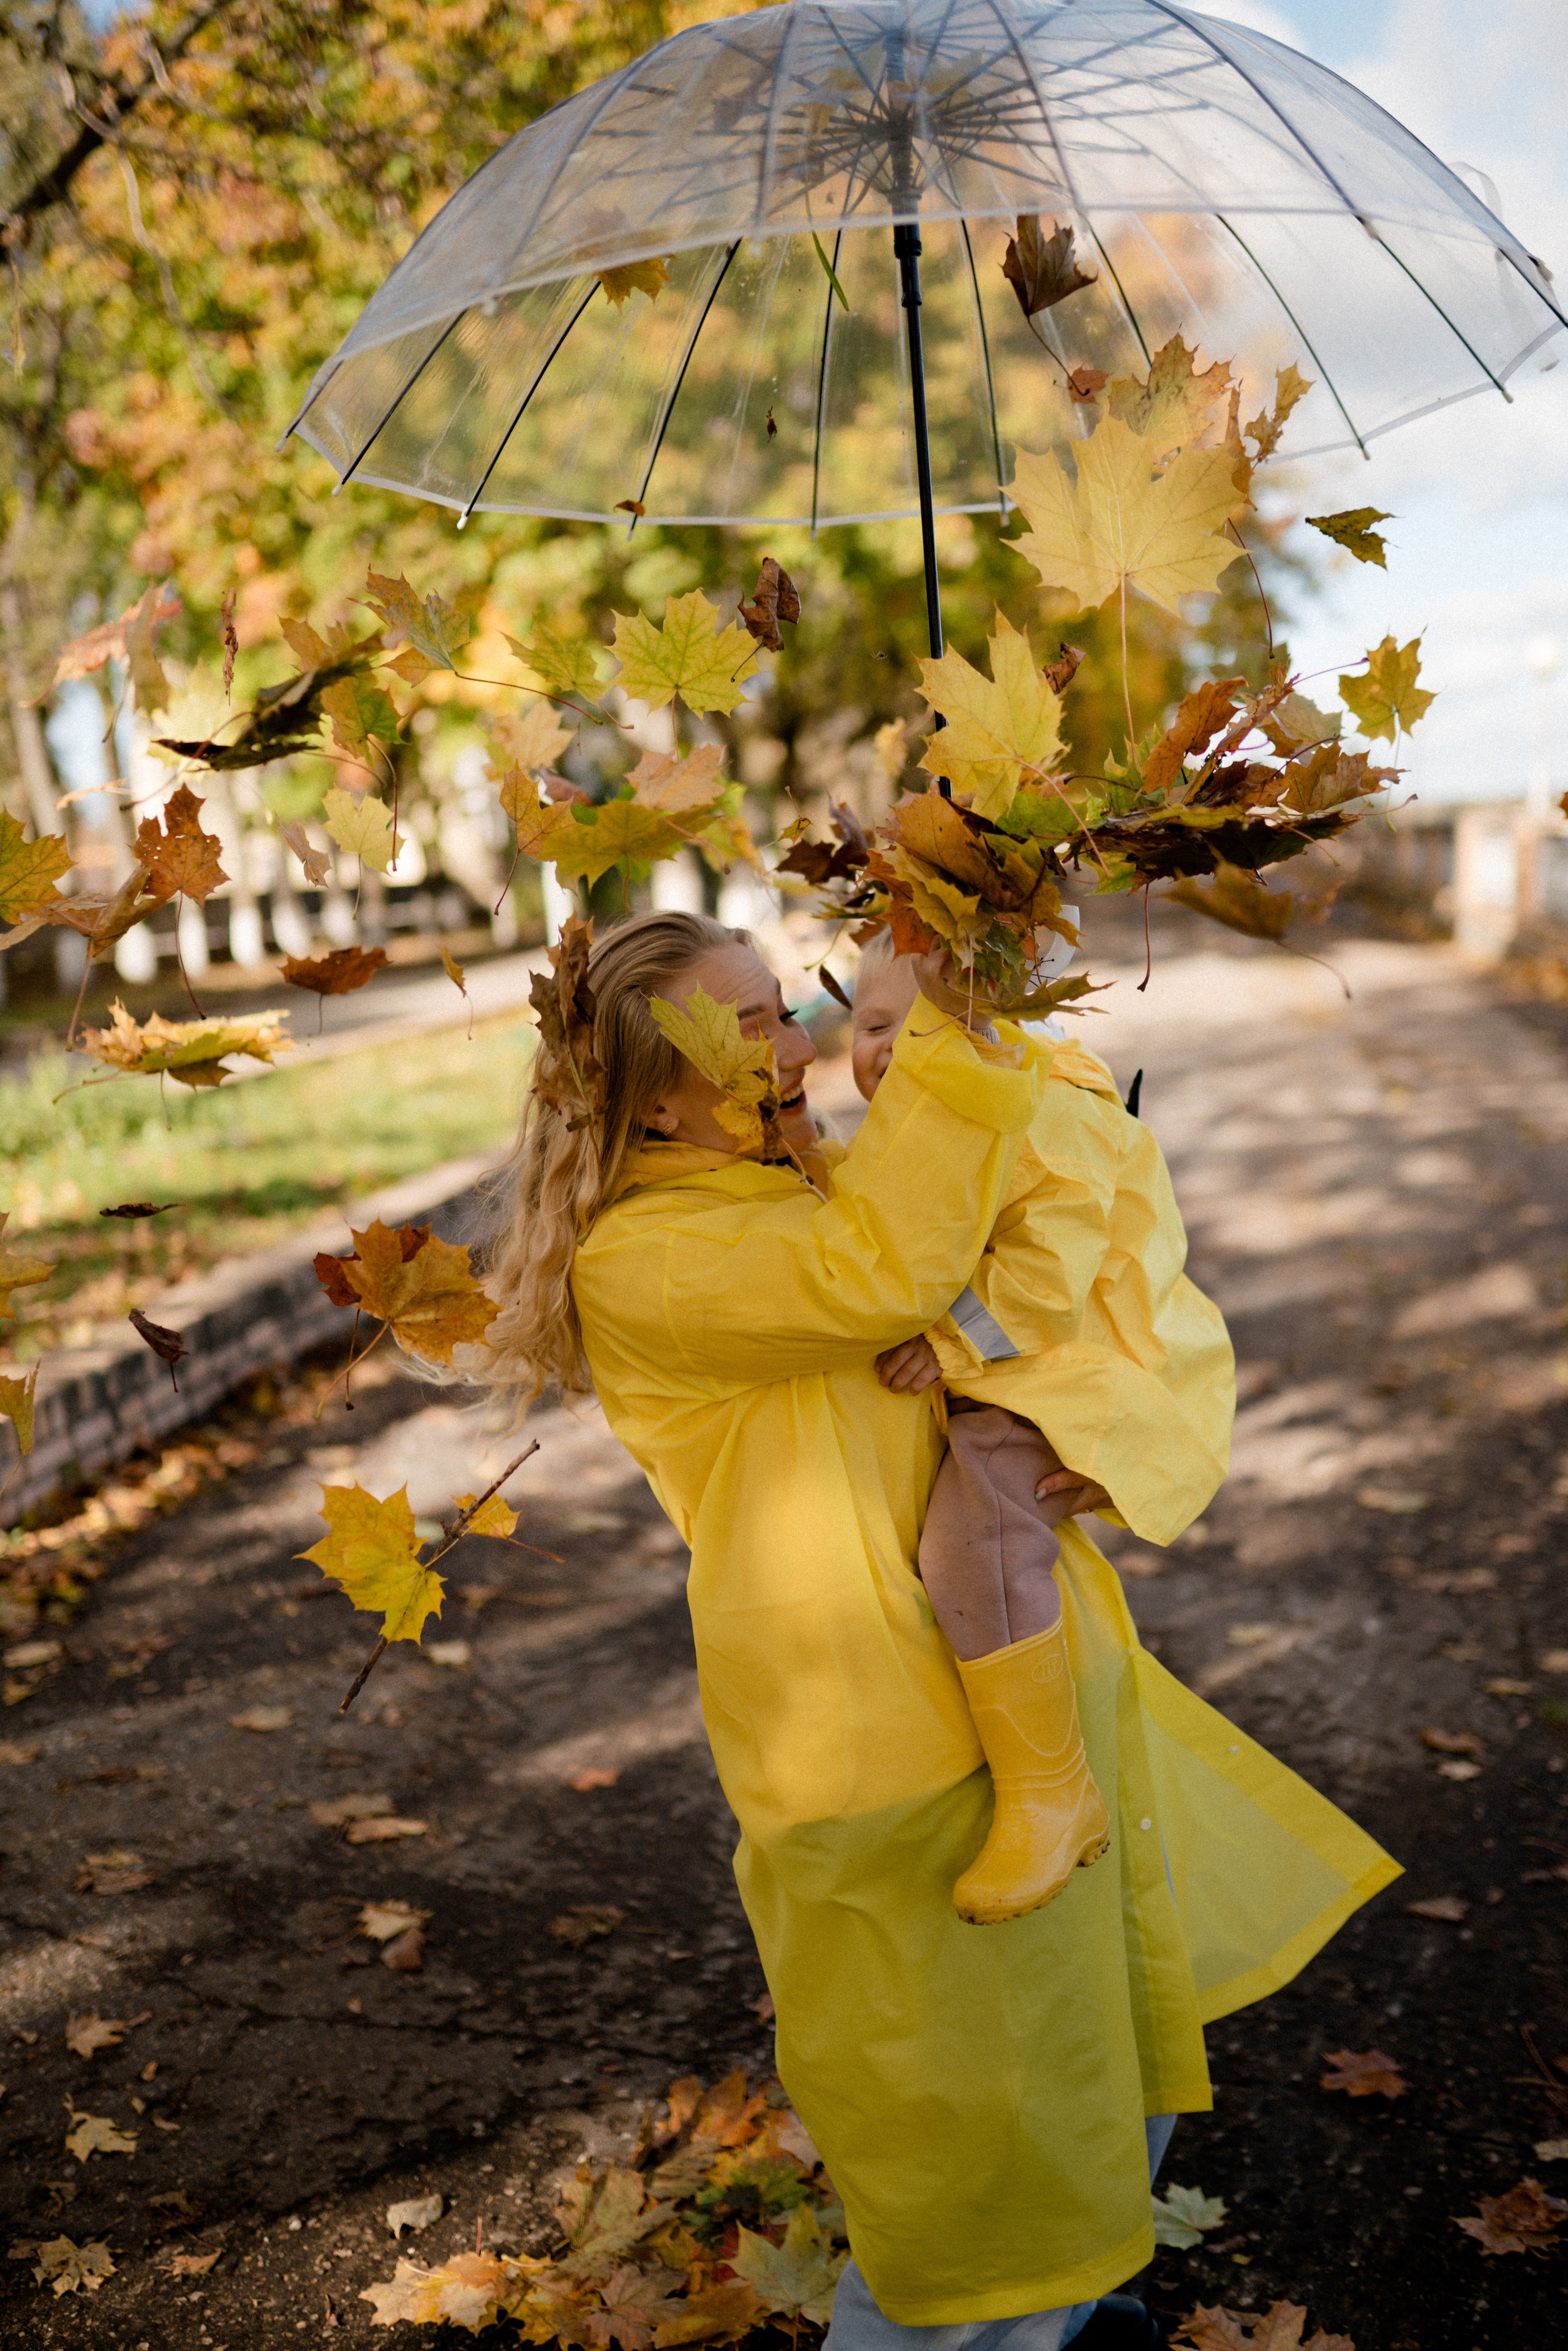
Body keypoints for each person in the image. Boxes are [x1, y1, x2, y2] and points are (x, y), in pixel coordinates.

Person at [483, 909, 1399, 2351]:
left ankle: (1081, 2292)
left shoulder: (801, 1180)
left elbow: (989, 1257)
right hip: (886, 1743)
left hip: (1030, 1684)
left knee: (1101, 2053)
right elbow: (881, 1272)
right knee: (968, 2148)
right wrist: (961, 1041)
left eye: (785, 1007)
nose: (793, 1047)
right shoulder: (647, 1255)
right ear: (650, 1097)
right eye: (749, 1030)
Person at [847, 930, 1234, 1929]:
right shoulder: (968, 1093)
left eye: (913, 1024)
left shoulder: (1044, 1108)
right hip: (1051, 1357)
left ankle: (1048, 1787)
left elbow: (1048, 1274)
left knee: (973, 1527)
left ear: (987, 1022)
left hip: (1090, 1358)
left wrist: (946, 1346)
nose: (884, 1049)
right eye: (868, 1024)